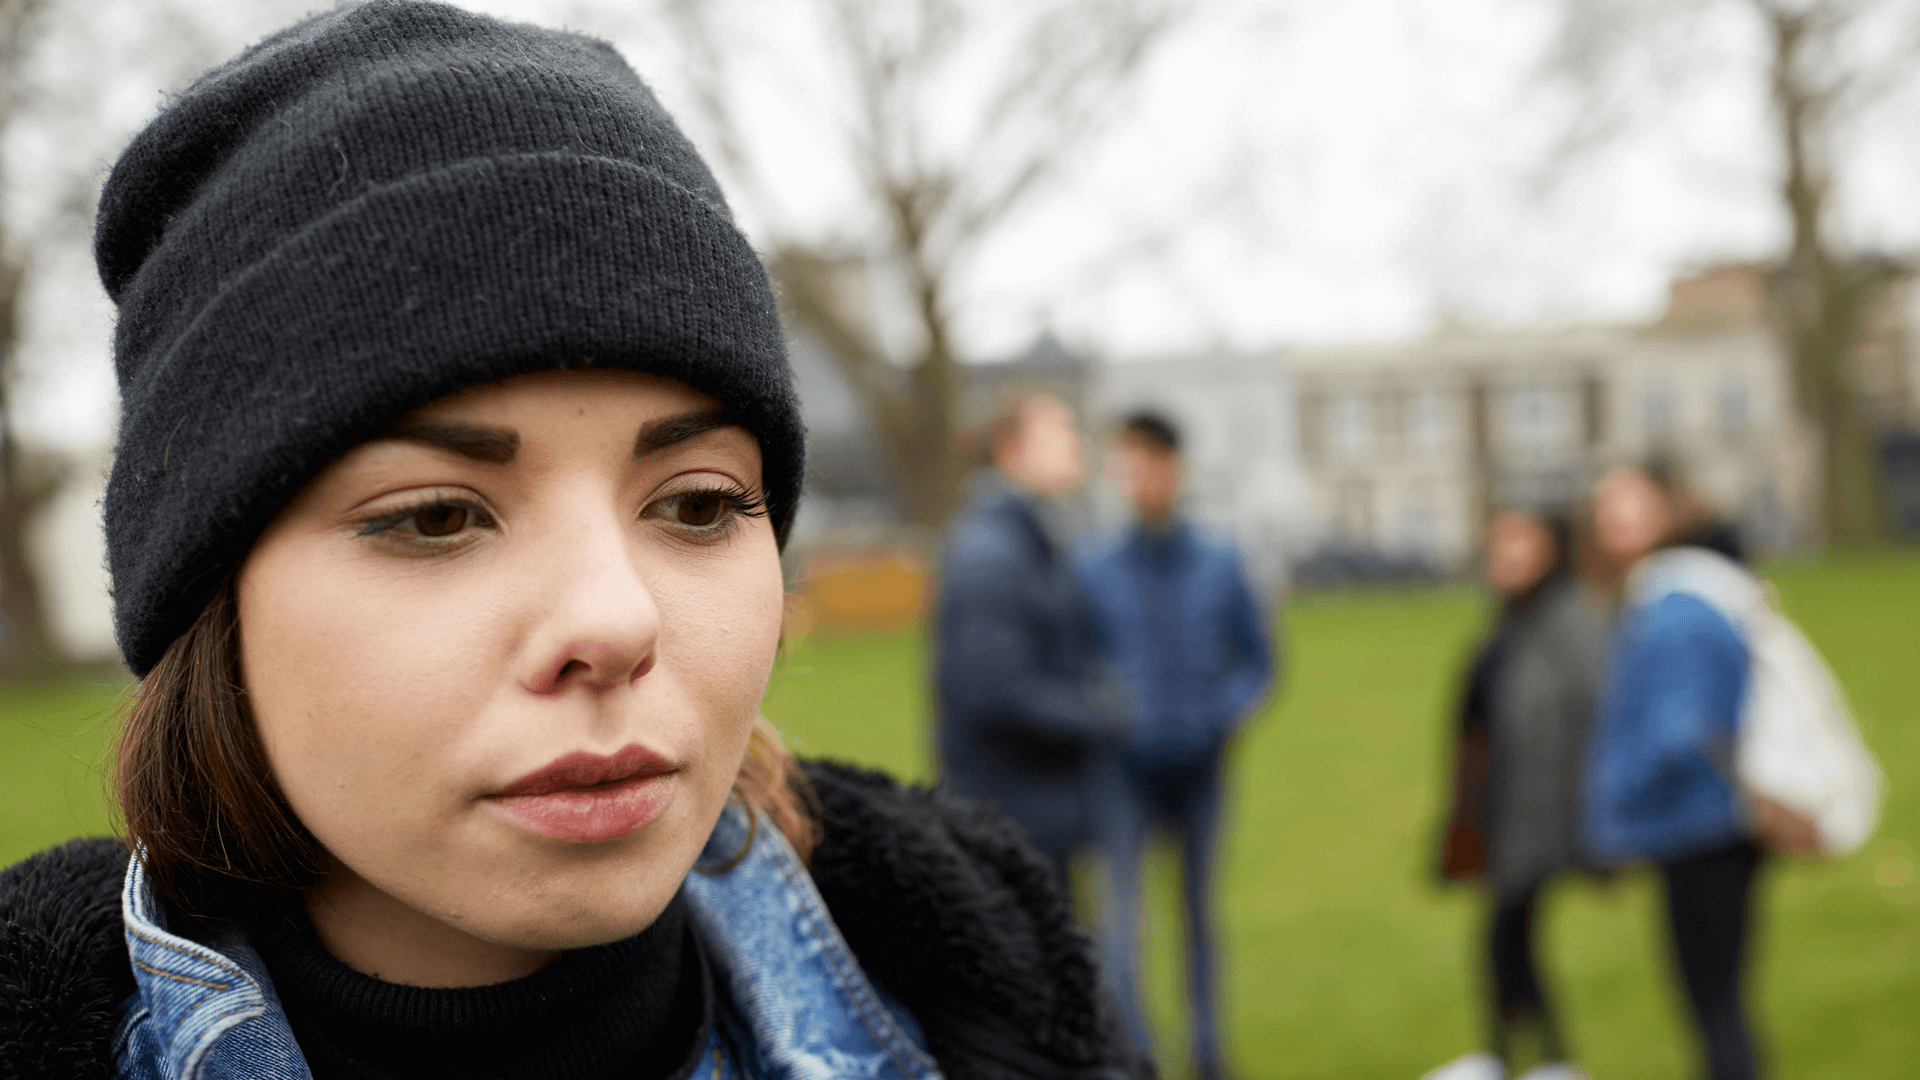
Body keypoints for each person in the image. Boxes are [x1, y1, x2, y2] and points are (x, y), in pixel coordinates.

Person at [0, 7, 1137, 1079]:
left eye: (697, 505)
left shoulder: (989, 1001)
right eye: (438, 516)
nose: (615, 620)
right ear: (211, 598)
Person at [1077, 411, 1274, 1080]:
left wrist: (1227, 711)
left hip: (1203, 770)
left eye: (1152, 461)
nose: (1142, 477)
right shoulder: (1094, 569)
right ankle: (1136, 1059)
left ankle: (1209, 1053)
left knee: (1198, 921)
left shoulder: (1221, 560)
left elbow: (1259, 660)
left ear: (1175, 469)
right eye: (1128, 463)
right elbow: (1077, 661)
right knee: (1121, 925)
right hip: (1125, 776)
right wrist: (1107, 706)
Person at [1583, 463, 1779, 1080]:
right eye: (1604, 506)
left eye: (1630, 504)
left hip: (1704, 824)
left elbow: (1680, 727)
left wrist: (1612, 799)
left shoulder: (1673, 601)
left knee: (1715, 1006)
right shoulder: (1686, 588)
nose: (1613, 519)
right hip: (1710, 820)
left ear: (1668, 511)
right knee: (1718, 1001)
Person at [1427, 509, 1608, 1080]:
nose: (1503, 553)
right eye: (1497, 540)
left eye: (1518, 541)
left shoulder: (1569, 620)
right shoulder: (1511, 621)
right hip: (1497, 808)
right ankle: (1528, 1057)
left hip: (1538, 816)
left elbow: (1580, 717)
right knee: (1508, 946)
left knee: (1506, 942)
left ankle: (1532, 1060)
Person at [933, 390, 1113, 885]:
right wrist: (1103, 714)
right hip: (1012, 812)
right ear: (1011, 451)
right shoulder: (991, 555)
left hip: (1042, 807)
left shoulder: (1036, 540)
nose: (1075, 442)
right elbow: (995, 692)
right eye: (1059, 430)